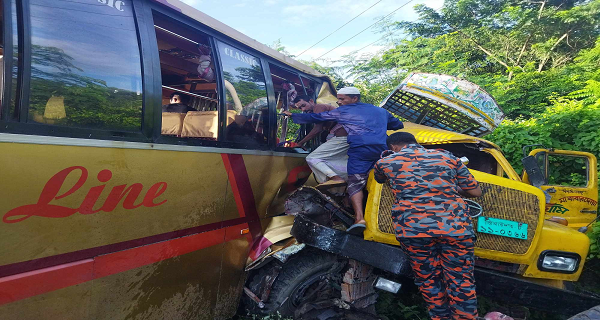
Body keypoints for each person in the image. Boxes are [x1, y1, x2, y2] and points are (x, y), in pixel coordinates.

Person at [374, 132, 482, 320]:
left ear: (393, 147)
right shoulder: (448, 157)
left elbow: (380, 179)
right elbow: (475, 191)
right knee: (461, 280)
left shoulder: (385, 162)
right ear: (415, 142)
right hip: (454, 227)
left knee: (428, 279)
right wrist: (448, 187)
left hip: (414, 230)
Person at [284, 87, 404, 234]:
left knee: (355, 183)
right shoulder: (380, 111)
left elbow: (318, 117)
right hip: (382, 149)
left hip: (361, 149)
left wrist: (292, 115)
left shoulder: (344, 111)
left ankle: (359, 218)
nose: (339, 102)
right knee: (383, 182)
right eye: (338, 99)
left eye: (342, 99)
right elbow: (398, 125)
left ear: (355, 98)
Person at [291, 95, 349, 183]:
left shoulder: (319, 107)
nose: (303, 110)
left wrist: (300, 143)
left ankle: (336, 179)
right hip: (344, 138)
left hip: (342, 138)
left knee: (312, 158)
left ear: (311, 101)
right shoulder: (316, 111)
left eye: (303, 105)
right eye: (300, 108)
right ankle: (338, 182)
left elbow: (317, 129)